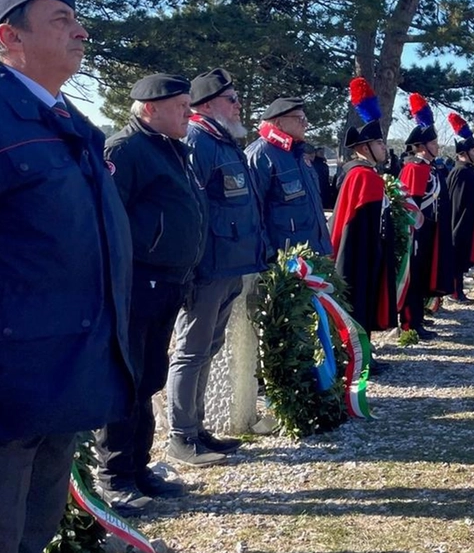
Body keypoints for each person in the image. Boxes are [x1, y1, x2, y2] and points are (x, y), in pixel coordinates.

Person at [0, 0, 134, 553]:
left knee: (26, 547)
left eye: (77, 17)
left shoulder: (63, 120)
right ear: (8, 36)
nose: (80, 30)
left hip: (58, 380)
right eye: (60, 18)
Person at [95, 73, 207, 513]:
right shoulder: (124, 151)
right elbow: (109, 223)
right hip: (138, 285)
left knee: (148, 380)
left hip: (169, 282)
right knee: (127, 381)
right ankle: (115, 476)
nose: (188, 113)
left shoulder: (172, 148)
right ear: (150, 109)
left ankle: (138, 468)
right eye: (180, 105)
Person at [169, 68, 264, 471]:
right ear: (206, 105)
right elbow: (191, 209)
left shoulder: (225, 143)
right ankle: (181, 436)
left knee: (209, 348)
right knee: (191, 351)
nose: (239, 104)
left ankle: (198, 426)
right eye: (232, 98)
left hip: (230, 264)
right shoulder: (198, 140)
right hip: (208, 266)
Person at [330, 78, 399, 332]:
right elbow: (355, 225)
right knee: (358, 301)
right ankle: (359, 358)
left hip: (369, 254)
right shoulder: (362, 176)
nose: (384, 148)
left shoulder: (369, 174)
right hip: (359, 255)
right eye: (379, 143)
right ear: (364, 147)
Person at [246, 96, 331, 257]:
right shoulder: (260, 155)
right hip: (284, 263)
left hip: (313, 255)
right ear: (278, 123)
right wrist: (269, 257)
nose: (306, 124)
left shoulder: (297, 154)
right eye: (300, 119)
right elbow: (251, 214)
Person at [398, 92, 450, 337]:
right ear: (422, 146)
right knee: (415, 276)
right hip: (417, 231)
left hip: (429, 230)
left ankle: (418, 316)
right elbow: (409, 204)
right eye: (434, 143)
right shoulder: (414, 168)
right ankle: (410, 322)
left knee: (422, 275)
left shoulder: (429, 168)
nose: (437, 146)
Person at [445, 112, 474, 301]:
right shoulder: (461, 173)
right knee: (457, 257)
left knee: (461, 258)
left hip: (468, 223)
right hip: (460, 224)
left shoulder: (468, 172)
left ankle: (459, 290)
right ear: (464, 153)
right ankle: (455, 291)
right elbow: (458, 204)